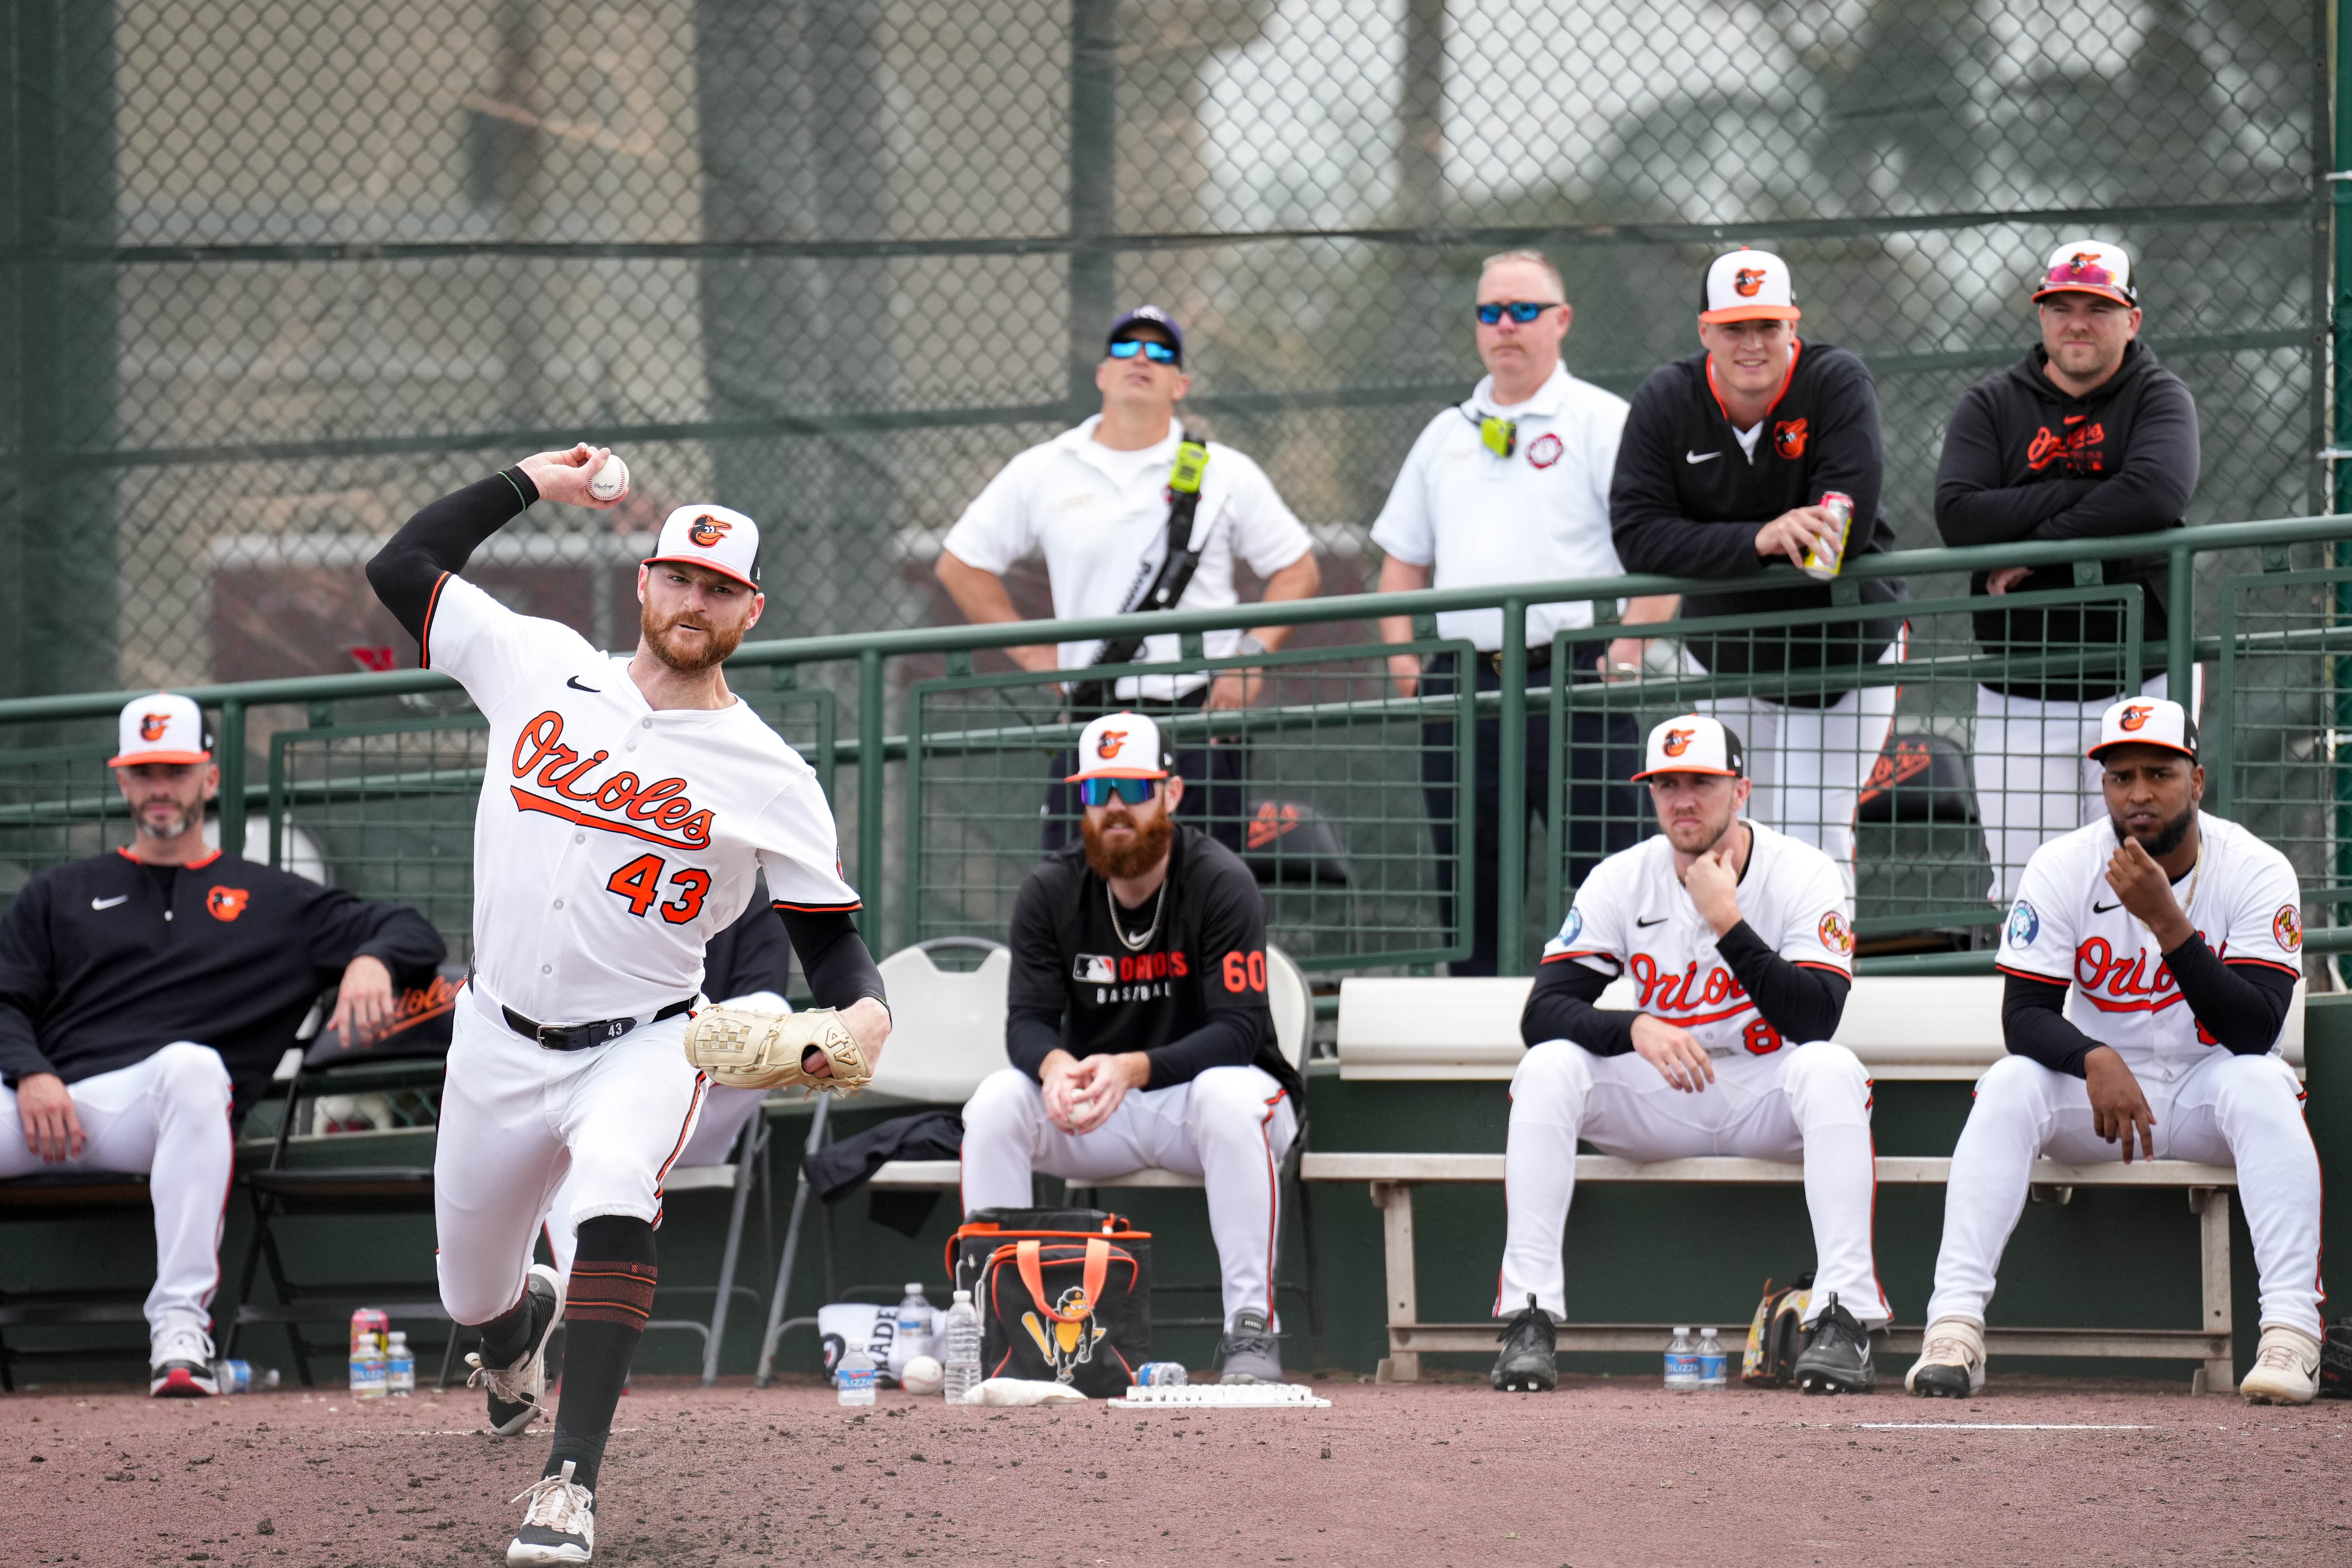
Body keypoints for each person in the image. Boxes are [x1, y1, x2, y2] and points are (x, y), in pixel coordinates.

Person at [366, 446, 892, 1564]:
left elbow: (833, 948)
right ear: (645, 582)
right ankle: (516, 1329)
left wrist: (864, 1021)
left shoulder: (768, 774)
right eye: (677, 579)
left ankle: (568, 1482)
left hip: (647, 1042)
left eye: (718, 588)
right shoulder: (537, 664)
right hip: (495, 1039)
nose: (692, 602)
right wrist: (529, 482)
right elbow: (400, 564)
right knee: (471, 1292)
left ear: (752, 608)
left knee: (615, 1190)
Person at [0, 692, 445, 1397]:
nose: (159, 788)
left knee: (192, 1068)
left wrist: (374, 960)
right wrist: (30, 1072)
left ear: (209, 778)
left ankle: (180, 1330)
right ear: (122, 781)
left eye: (176, 771)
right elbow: (5, 999)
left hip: (159, 1116)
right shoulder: (60, 892)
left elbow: (416, 930)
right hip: (41, 1103)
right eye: (144, 772)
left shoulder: (273, 902)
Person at [1906, 698, 2323, 1405]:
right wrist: (2092, 1057)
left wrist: (2167, 922)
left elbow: (2255, 1030)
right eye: (2119, 776)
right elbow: (2025, 1016)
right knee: (2009, 1083)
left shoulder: (2256, 868)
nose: (2137, 794)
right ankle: (1954, 1329)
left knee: (2262, 1082)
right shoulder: (2063, 865)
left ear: (2196, 780)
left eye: (2158, 773)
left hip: (2208, 1090)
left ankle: (2291, 1333)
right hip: (2102, 1099)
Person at [1490, 713, 1885, 1396]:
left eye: (1701, 782)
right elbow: (1542, 1012)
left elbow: (1817, 1017)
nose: (1682, 800)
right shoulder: (1622, 878)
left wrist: (1728, 921)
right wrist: (1634, 1027)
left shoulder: (1803, 872)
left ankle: (1844, 1314)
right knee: (1547, 1067)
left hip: (1768, 1091)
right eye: (1665, 784)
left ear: (1741, 791)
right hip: (1664, 1093)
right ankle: (1529, 1318)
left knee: (1834, 1070)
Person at [960, 710, 1303, 1383]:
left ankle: (1251, 1329)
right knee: (998, 1101)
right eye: (1096, 793)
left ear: (1171, 795)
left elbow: (1240, 1032)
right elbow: (1026, 1023)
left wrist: (1134, 1068)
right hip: (1102, 1110)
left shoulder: (1220, 881)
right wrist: (1055, 1067)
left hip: (1205, 1105)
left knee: (1229, 1099)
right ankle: (998, 1328)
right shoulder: (1049, 891)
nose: (1114, 808)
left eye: (1132, 788)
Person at [1372, 249, 1672, 975]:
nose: (1505, 325)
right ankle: (1479, 1047)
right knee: (1470, 881)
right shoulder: (1447, 432)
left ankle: (1637, 1026)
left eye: (1523, 309)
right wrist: (1408, 668)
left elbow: (1659, 550)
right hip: (1463, 688)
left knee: (1615, 876)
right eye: (1490, 312)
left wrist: (1626, 653)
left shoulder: (1603, 420)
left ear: (1562, 320)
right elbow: (1401, 562)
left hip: (1576, 681)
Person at [935, 306, 1320, 852]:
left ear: (1180, 384)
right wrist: (1032, 655)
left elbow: (1297, 569)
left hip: (1196, 720)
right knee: (1076, 895)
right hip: (1093, 720)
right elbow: (960, 563)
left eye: (1161, 352)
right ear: (1101, 374)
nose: (1141, 359)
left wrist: (1248, 657)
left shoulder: (1226, 472)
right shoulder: (1043, 468)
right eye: (1125, 349)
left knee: (1204, 898)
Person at [1610, 248, 1907, 886]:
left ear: (1793, 326)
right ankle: (1743, 983)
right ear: (1705, 331)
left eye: (1768, 326)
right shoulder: (1668, 397)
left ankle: (1817, 984)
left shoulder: (1835, 381)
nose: (1752, 343)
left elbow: (1837, 538)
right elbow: (1637, 536)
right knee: (1730, 841)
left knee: (1809, 839)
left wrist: (1711, 543)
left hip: (1840, 656)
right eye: (1735, 327)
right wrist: (1760, 540)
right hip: (1726, 652)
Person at [1934, 239, 2200, 904]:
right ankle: (2043, 1013)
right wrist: (2090, 494)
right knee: (2031, 891)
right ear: (2042, 317)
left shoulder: (2159, 395)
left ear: (2132, 320)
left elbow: (2156, 493)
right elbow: (1960, 515)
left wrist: (2034, 544)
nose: (2077, 322)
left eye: (2098, 308)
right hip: (2020, 683)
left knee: (2152, 876)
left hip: (2140, 676)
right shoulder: (1992, 404)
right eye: (2061, 307)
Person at [540, 888, 793, 1280]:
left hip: (705, 1114)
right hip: (614, 1108)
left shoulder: (754, 903)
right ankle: (581, 1323)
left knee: (774, 1013)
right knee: (577, 1140)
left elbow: (764, 1017)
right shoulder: (623, 888)